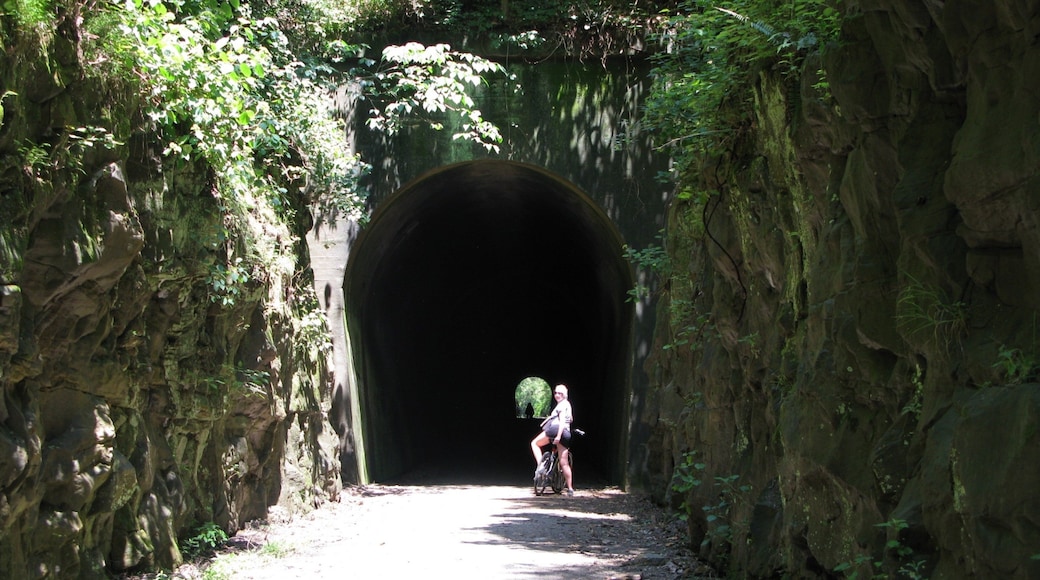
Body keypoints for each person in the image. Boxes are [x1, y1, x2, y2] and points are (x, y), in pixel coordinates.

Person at [530, 384, 574, 496]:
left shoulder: (561, 405)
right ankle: (570, 488)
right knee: (564, 463)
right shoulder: (568, 405)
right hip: (566, 433)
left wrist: (558, 436)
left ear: (564, 395)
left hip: (556, 430)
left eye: (560, 393)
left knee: (534, 443)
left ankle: (542, 466)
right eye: (556, 393)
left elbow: (562, 420)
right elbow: (570, 419)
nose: (557, 395)